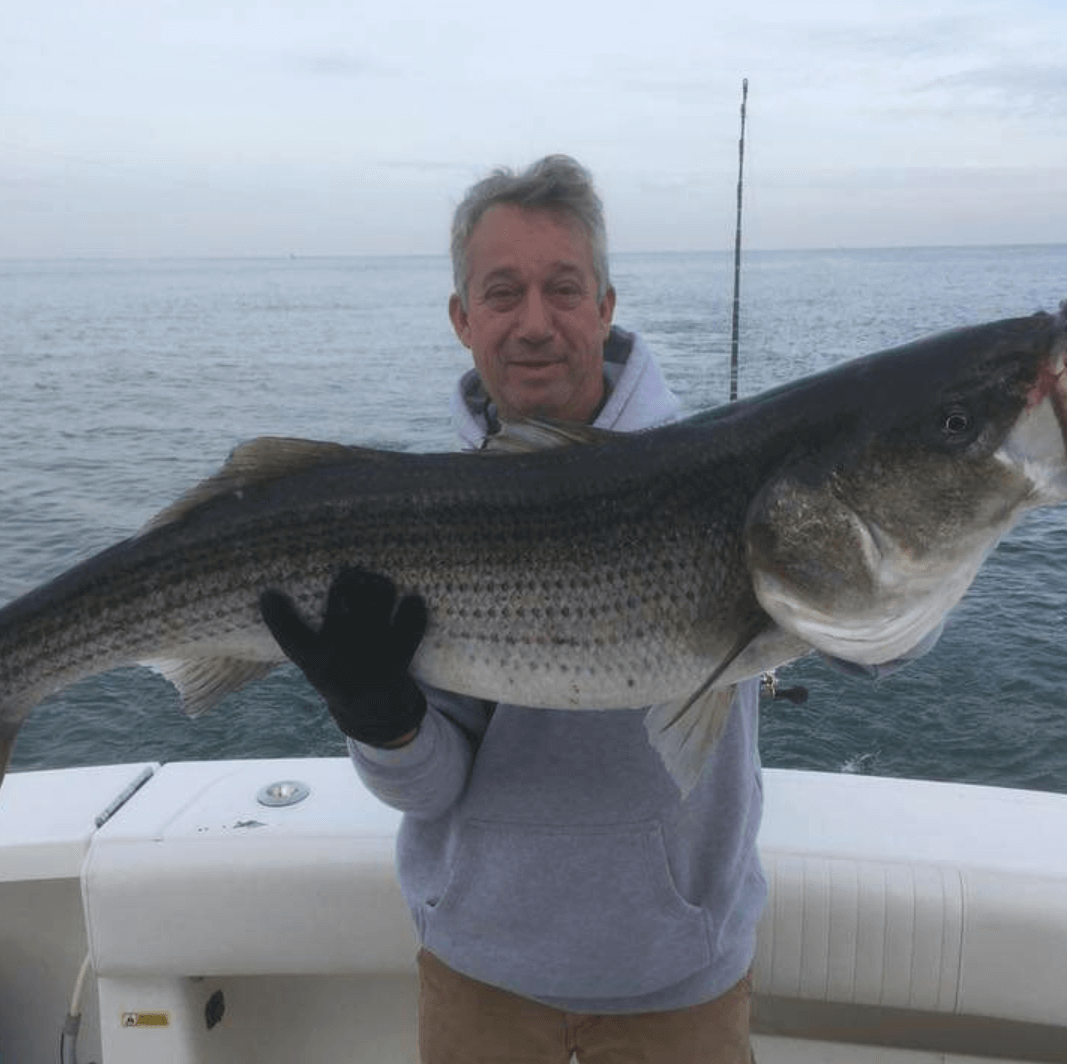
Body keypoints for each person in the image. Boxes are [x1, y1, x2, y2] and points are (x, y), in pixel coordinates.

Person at [261, 155, 764, 1063]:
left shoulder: (721, 481)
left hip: (678, 978)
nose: (535, 323)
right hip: (477, 974)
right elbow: (431, 786)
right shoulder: (417, 520)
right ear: (462, 319)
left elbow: (875, 645)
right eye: (502, 293)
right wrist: (380, 721)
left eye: (563, 289)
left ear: (606, 305)